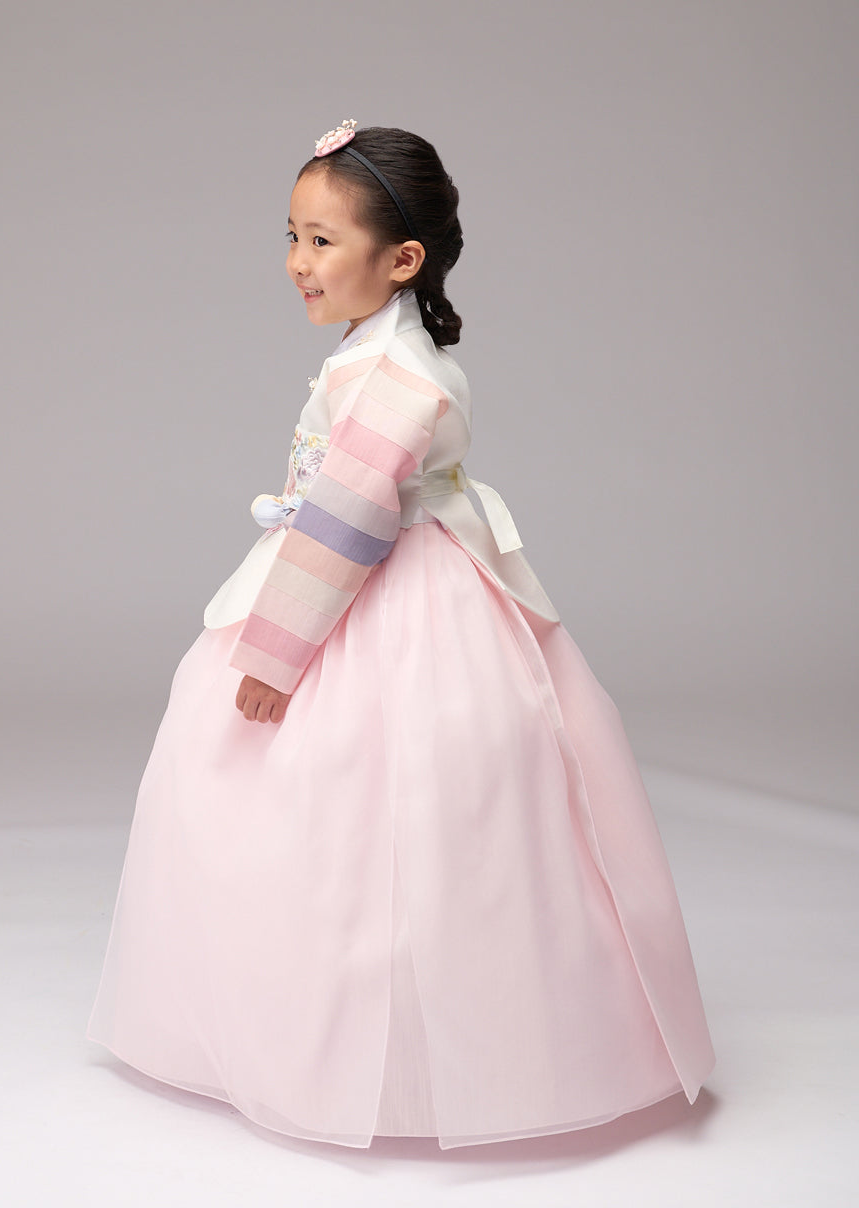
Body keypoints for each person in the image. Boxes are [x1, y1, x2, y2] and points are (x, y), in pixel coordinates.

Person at [88, 119, 715, 1149]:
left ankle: (378, 1048)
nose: (297, 260)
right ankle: (357, 1025)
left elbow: (346, 524)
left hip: (382, 594)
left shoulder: (395, 375)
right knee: (390, 815)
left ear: (403, 259)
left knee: (368, 806)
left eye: (322, 240)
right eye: (292, 235)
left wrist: (275, 656)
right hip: (407, 576)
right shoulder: (382, 352)